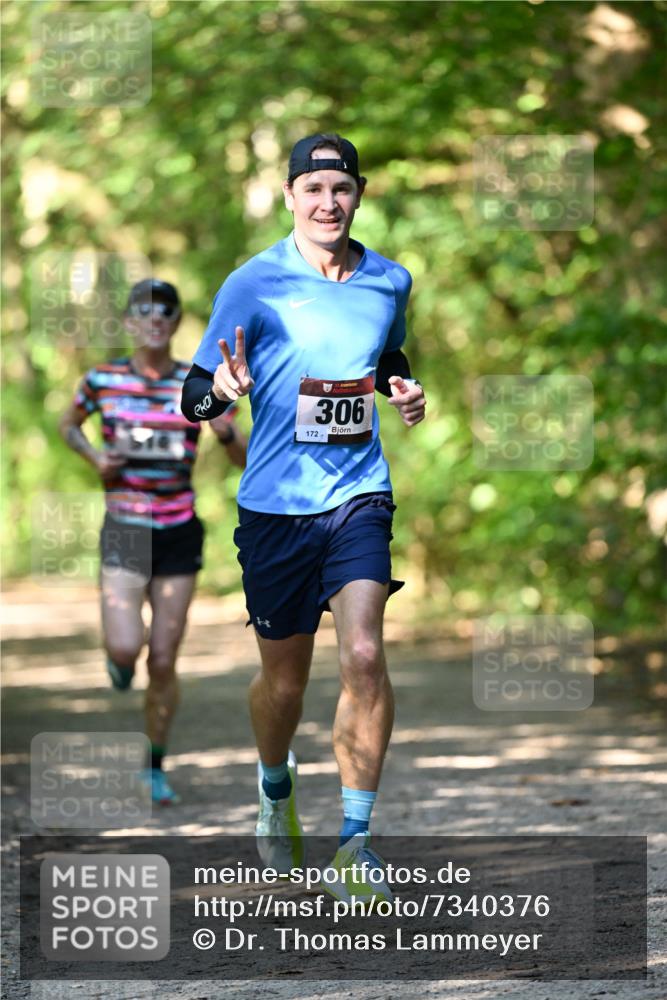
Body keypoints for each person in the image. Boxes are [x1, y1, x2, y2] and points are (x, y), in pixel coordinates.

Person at [181, 134, 425, 902]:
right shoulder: (252, 282)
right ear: (289, 195)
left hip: (357, 495)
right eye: (312, 189)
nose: (327, 203)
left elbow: (388, 360)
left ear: (359, 195)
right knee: (282, 686)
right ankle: (274, 787)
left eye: (340, 190)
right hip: (274, 508)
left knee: (360, 653)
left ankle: (354, 841)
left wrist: (403, 391)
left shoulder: (389, 279)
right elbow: (192, 395)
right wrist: (221, 388)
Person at [60, 278, 246, 805]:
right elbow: (68, 425)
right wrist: (96, 458)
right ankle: (118, 661)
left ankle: (154, 765)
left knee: (163, 660)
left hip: (178, 529)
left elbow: (241, 456)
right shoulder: (102, 379)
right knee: (127, 647)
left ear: (175, 321)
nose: (155, 320)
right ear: (129, 321)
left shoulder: (197, 380)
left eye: (166, 311)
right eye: (144, 311)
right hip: (125, 525)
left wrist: (224, 428)